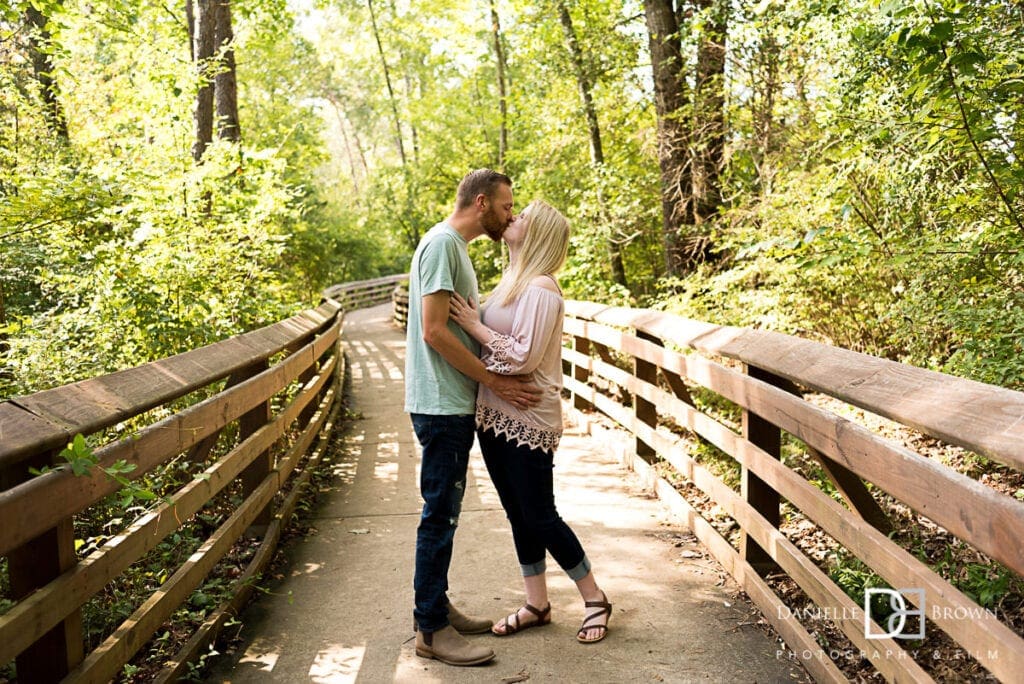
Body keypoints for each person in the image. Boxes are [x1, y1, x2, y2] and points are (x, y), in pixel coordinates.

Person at [448, 199, 612, 645]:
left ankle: (595, 598)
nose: (512, 218)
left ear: (538, 234)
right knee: (517, 513)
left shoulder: (541, 288)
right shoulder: (512, 280)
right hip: (495, 413)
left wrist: (473, 325)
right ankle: (536, 603)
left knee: (540, 514)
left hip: (528, 415)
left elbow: (522, 355)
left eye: (522, 218)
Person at [405, 169, 542, 667]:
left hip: (448, 401)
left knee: (444, 513)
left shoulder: (451, 248)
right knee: (439, 515)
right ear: (481, 202)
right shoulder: (443, 245)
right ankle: (431, 631)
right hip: (442, 403)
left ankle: (434, 608)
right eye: (507, 206)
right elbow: (435, 331)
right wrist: (494, 379)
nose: (510, 215)